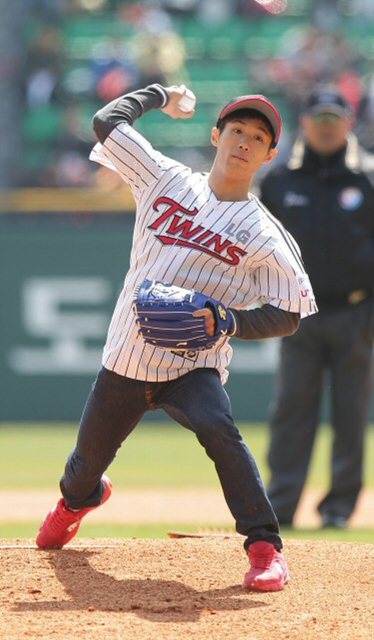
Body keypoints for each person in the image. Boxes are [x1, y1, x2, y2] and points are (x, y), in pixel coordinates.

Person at [36, 83, 318, 591]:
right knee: (82, 471)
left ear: (270, 154)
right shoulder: (165, 179)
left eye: (258, 137)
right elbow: (106, 123)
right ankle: (80, 500)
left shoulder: (265, 234)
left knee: (220, 430)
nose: (244, 142)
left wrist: (230, 322)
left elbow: (289, 313)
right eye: (237, 130)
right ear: (216, 134)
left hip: (193, 366)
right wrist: (160, 93)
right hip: (126, 356)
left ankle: (264, 547)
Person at [260, 85, 374, 530]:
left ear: (349, 123)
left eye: (334, 119)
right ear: (304, 124)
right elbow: (252, 240)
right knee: (292, 410)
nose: (326, 127)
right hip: (296, 315)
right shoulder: (279, 179)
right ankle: (281, 506)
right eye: (318, 119)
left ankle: (339, 509)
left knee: (351, 413)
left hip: (356, 311)